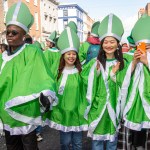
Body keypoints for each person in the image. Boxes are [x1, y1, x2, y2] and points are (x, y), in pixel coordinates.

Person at [0, 2, 57, 150]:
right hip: (6, 112)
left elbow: (43, 75)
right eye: (8, 32)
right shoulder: (2, 57)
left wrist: (46, 95)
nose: (10, 35)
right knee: (12, 147)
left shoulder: (32, 52)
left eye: (14, 33)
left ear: (24, 35)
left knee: (29, 146)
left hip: (26, 112)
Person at [81, 13, 133, 150]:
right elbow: (85, 82)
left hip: (114, 109)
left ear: (118, 44)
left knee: (111, 144)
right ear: (101, 43)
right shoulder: (94, 63)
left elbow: (127, 86)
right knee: (97, 144)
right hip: (98, 108)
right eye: (106, 42)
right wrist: (96, 73)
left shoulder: (123, 64)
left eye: (112, 42)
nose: (108, 45)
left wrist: (114, 75)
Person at [47, 27, 88, 150]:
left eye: (74, 54)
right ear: (63, 55)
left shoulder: (81, 72)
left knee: (78, 144)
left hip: (77, 114)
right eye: (68, 54)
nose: (71, 56)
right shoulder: (57, 72)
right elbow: (49, 86)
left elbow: (87, 88)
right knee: (65, 143)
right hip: (63, 113)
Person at [122, 13, 150, 150]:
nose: (144, 51)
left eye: (147, 47)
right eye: (140, 47)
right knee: (136, 133)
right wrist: (134, 62)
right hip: (135, 105)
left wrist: (147, 62)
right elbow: (124, 79)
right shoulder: (132, 58)